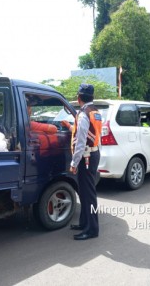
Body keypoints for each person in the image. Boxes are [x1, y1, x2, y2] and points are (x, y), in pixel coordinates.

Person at [62, 83, 102, 240]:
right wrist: (71, 126)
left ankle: (92, 229)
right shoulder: (95, 112)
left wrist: (73, 162)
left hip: (85, 157)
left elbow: (80, 140)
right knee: (85, 193)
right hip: (92, 154)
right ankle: (84, 222)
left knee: (89, 195)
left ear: (79, 98)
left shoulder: (83, 114)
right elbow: (91, 133)